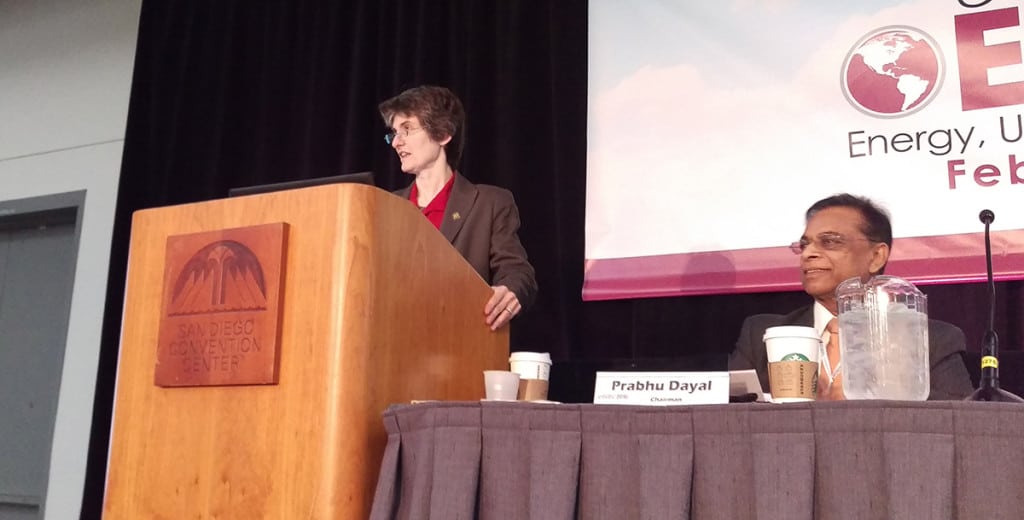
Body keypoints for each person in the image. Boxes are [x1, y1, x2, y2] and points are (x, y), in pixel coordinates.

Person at [728, 193, 973, 400]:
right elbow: (726, 419)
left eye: (830, 242)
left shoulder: (929, 339)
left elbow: (958, 421)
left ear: (876, 256)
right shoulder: (759, 335)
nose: (808, 254)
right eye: (804, 245)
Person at [378, 85, 537, 331]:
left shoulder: (490, 203)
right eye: (394, 133)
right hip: (395, 338)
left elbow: (517, 272)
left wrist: (510, 291)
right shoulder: (387, 207)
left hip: (461, 337)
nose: (396, 142)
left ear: (443, 134)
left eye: (407, 130)